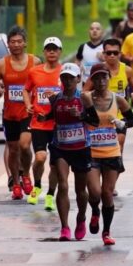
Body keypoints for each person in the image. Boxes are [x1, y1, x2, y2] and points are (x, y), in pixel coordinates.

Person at [83, 62, 133, 246]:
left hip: (111, 152)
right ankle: (95, 212)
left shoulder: (118, 99)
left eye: (104, 77)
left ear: (109, 78)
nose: (100, 81)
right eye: (96, 78)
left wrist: (122, 124)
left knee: (107, 192)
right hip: (91, 152)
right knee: (95, 192)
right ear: (92, 80)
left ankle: (106, 231)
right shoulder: (86, 98)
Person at [0, 26, 37, 199]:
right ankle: (16, 183)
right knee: (13, 149)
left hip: (28, 112)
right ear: (8, 44)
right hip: (10, 114)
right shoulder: (1, 64)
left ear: (25, 43)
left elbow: (43, 81)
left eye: (19, 41)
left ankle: (26, 175)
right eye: (12, 42)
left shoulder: (34, 62)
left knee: (25, 145)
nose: (16, 45)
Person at [43, 63, 90, 241]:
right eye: (64, 78)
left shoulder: (84, 98)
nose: (68, 81)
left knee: (81, 190)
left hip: (81, 148)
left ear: (78, 79)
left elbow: (93, 120)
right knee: (62, 185)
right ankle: (64, 227)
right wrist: (42, 117)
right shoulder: (56, 99)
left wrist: (80, 115)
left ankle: (81, 218)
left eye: (71, 78)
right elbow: (51, 116)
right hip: (60, 147)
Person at [23, 37, 65, 210]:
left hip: (58, 124)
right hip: (39, 123)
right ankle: (37, 185)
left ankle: (50, 194)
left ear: (60, 51)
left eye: (55, 49)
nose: (52, 52)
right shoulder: (35, 72)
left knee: (55, 163)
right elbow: (26, 89)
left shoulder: (65, 73)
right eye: (48, 49)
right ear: (44, 52)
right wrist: (27, 104)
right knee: (40, 157)